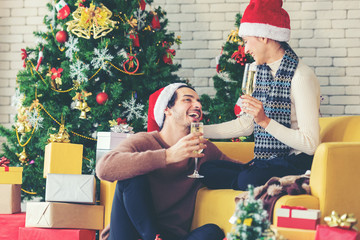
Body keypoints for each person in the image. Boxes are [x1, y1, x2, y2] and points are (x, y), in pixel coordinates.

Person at [199, 0, 321, 191]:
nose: (245, 49)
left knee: (246, 178)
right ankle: (252, 177)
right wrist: (200, 130)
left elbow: (311, 144)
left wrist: (264, 121)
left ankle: (251, 179)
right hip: (269, 162)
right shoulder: (260, 72)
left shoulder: (300, 77)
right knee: (207, 169)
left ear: (264, 37)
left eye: (247, 41)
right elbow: (247, 124)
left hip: (296, 161)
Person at [96, 83, 235, 240]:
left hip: (172, 236)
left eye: (198, 101)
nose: (197, 105)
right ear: (167, 109)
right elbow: (104, 168)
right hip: (130, 234)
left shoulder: (202, 148)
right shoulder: (144, 141)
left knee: (211, 231)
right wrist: (169, 155)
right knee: (132, 176)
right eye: (187, 100)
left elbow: (240, 171)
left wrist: (264, 122)